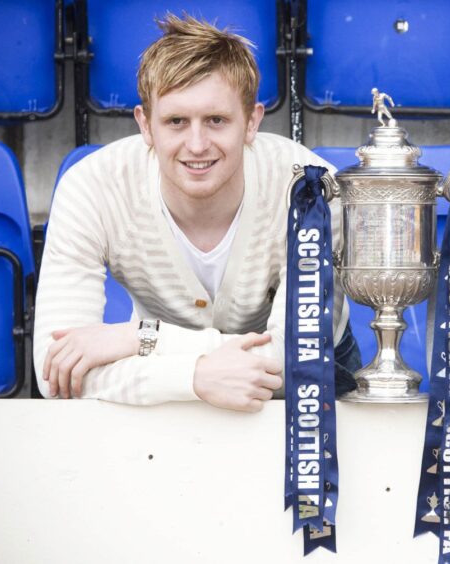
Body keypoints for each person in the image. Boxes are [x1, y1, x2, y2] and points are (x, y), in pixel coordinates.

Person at [33, 14, 359, 411]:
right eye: (176, 121)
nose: (197, 143)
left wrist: (142, 338)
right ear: (145, 125)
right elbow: (55, 371)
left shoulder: (311, 188)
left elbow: (296, 360)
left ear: (252, 121)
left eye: (217, 120)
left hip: (301, 377)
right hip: (161, 377)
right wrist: (193, 375)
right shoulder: (92, 187)